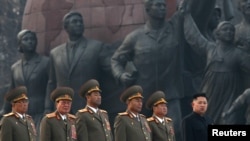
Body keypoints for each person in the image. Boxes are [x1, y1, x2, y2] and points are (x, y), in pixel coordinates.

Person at [111, 1, 216, 140]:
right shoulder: (136, 37)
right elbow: (116, 60)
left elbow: (192, 7)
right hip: (143, 95)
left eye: (164, 5)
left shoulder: (175, 27)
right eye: (158, 5)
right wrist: (121, 75)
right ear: (148, 10)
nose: (163, 8)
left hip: (170, 94)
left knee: (175, 131)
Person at [183, 6, 250, 124]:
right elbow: (194, 37)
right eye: (225, 29)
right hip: (211, 91)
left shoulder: (239, 53)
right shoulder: (210, 48)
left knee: (229, 120)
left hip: (230, 93)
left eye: (231, 30)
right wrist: (187, 16)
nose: (229, 32)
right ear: (218, 34)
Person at [45, 11, 109, 114]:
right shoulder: (55, 53)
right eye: (74, 22)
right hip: (62, 109)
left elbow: (109, 71)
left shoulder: (96, 47)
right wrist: (47, 108)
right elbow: (51, 83)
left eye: (80, 22)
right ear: (66, 27)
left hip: (87, 107)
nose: (79, 24)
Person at [0, 29, 49, 136]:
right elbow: (12, 91)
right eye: (26, 39)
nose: (30, 41)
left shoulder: (45, 63)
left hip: (39, 113)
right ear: (20, 44)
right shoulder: (15, 68)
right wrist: (4, 110)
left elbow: (50, 87)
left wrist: (48, 109)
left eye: (32, 39)